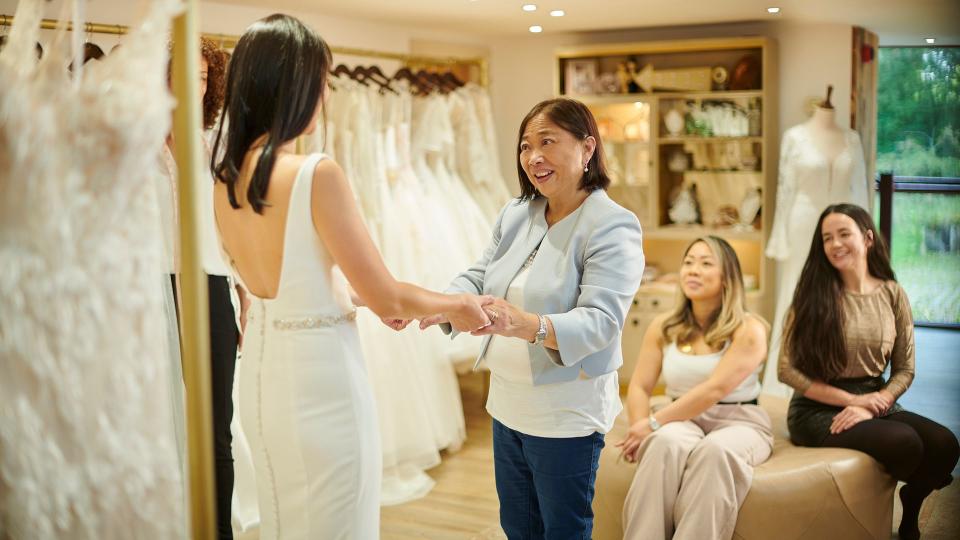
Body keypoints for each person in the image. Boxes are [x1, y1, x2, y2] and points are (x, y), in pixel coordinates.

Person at [210, 14, 490, 539]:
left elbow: (291, 279)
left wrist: (358, 299)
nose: (326, 96)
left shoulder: (225, 180)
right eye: (321, 82)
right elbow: (385, 294)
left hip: (261, 379)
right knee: (339, 523)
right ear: (293, 87)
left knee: (280, 519)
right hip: (322, 379)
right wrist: (455, 305)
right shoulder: (316, 173)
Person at [421, 97, 644, 538]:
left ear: (587, 149)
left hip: (565, 413)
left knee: (563, 529)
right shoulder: (517, 213)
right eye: (525, 146)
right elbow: (481, 274)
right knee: (518, 528)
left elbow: (601, 321)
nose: (533, 157)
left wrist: (526, 324)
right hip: (507, 405)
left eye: (548, 142)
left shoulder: (611, 225)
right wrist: (442, 304)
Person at [778, 203, 959, 540]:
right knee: (906, 444)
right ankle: (927, 479)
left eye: (843, 234)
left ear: (868, 238)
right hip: (816, 408)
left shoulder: (893, 293)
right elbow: (786, 370)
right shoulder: (812, 295)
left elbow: (905, 369)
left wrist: (873, 402)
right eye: (827, 238)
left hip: (874, 398)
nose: (834, 244)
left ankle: (914, 495)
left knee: (945, 444)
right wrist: (852, 401)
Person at [617, 236, 772, 540]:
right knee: (662, 445)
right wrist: (639, 425)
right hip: (680, 417)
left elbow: (714, 390)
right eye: (688, 263)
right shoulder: (664, 326)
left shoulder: (750, 329)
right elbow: (639, 385)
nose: (693, 270)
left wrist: (653, 422)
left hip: (738, 419)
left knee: (714, 452)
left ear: (727, 277)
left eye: (705, 263)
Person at [155, 36, 237, 539]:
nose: (196, 87)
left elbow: (227, 227)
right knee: (158, 421)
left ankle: (218, 531)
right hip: (150, 285)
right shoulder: (130, 144)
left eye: (204, 78)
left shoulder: (214, 145)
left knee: (216, 429)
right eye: (184, 75)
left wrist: (241, 290)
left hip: (209, 285)